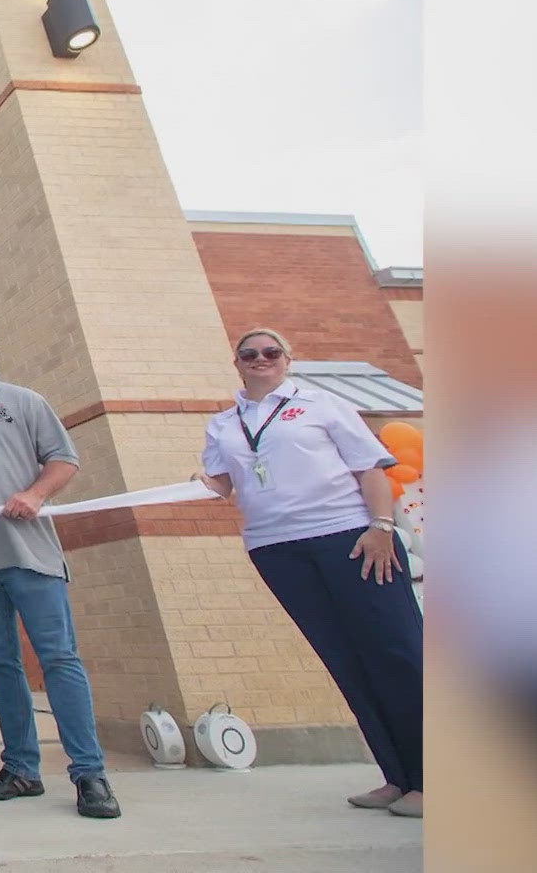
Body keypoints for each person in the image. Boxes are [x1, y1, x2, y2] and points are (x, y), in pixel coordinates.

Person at [194, 328, 423, 818]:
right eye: (249, 354)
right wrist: (199, 482)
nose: (261, 359)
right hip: (277, 548)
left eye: (271, 352)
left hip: (351, 538)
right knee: (345, 659)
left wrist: (381, 527)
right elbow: (222, 485)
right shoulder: (223, 424)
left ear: (287, 359)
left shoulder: (322, 403)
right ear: (237, 363)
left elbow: (370, 468)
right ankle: (397, 776)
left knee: (397, 653)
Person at [0, 321, 120, 819]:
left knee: (59, 660)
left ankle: (89, 774)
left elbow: (64, 460)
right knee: (1, 666)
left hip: (32, 556)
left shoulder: (23, 400)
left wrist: (34, 495)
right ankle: (21, 769)